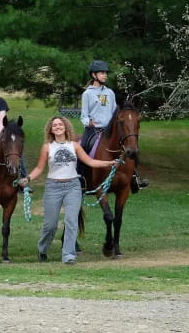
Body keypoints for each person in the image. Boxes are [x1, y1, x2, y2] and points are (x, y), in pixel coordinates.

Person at [24, 116, 117, 265]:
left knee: (71, 221)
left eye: (60, 124)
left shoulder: (75, 145)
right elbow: (39, 168)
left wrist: (110, 163)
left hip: (73, 186)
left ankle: (68, 255)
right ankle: (42, 249)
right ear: (51, 129)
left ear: (66, 127)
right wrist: (27, 178)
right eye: (55, 125)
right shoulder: (47, 147)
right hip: (53, 187)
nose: (58, 127)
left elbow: (90, 161)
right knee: (50, 225)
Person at [79, 60, 148, 192]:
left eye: (105, 73)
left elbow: (113, 112)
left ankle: (134, 177)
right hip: (93, 130)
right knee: (82, 148)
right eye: (102, 73)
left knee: (131, 148)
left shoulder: (110, 93)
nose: (105, 75)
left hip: (109, 130)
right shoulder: (87, 93)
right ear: (94, 75)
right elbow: (83, 115)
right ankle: (81, 178)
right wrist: (89, 122)